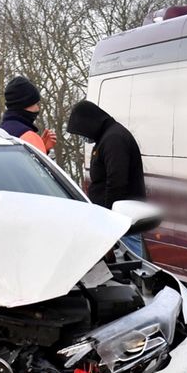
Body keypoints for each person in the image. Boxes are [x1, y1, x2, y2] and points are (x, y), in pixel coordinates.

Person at [65, 100, 148, 256]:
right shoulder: (106, 137)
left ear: (89, 123)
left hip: (122, 219)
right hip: (117, 218)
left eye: (82, 132)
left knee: (131, 262)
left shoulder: (114, 139)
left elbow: (116, 181)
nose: (84, 137)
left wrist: (109, 217)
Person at [0, 75, 56, 155]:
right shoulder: (27, 136)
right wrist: (39, 149)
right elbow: (35, 167)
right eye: (35, 104)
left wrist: (42, 148)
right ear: (25, 104)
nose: (38, 108)